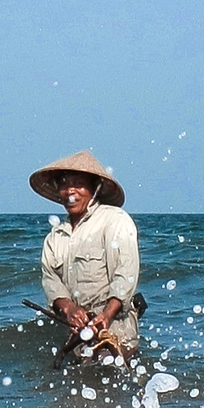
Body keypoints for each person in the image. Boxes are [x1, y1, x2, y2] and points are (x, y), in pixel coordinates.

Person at [31, 150, 140, 363]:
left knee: (110, 377)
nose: (70, 192)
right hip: (77, 335)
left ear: (94, 188)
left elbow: (125, 275)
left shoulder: (115, 221)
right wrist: (69, 309)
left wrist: (106, 316)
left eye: (79, 184)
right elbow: (51, 281)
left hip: (115, 330)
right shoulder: (55, 236)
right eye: (64, 185)